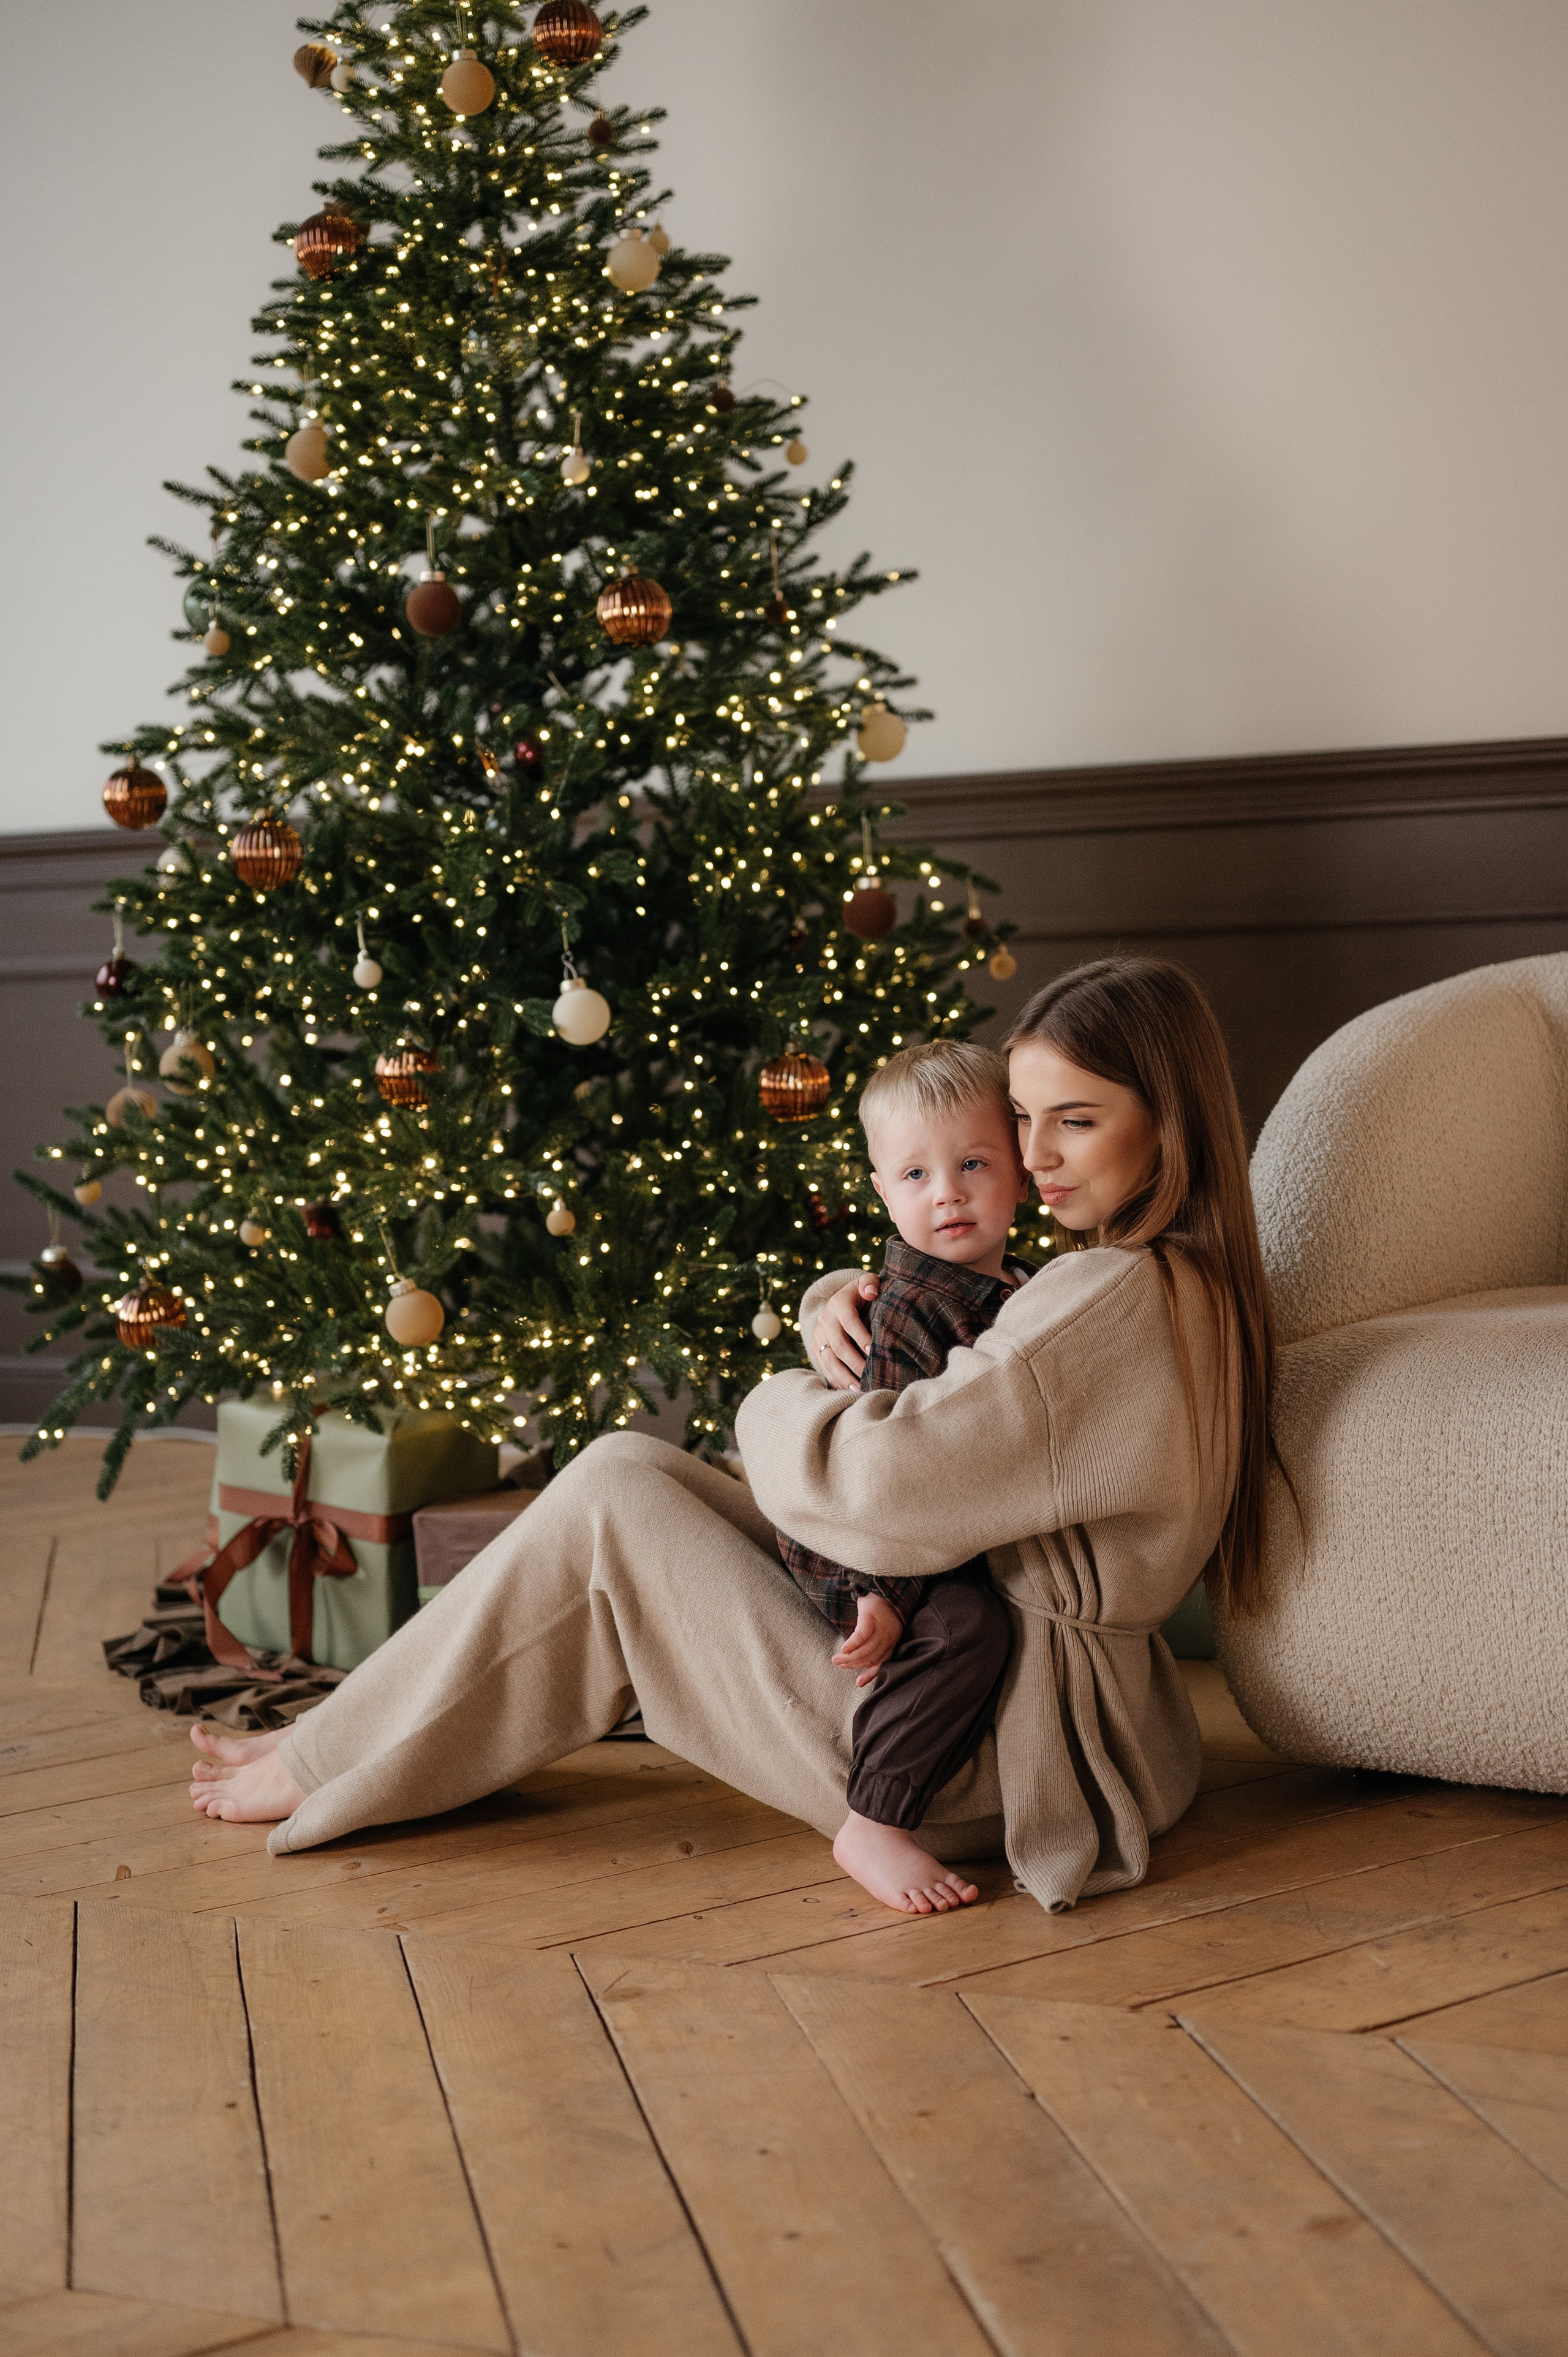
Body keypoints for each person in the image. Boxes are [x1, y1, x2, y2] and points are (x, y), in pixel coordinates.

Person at [189, 955, 1278, 1921]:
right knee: (624, 1470)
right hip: (1077, 1726)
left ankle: (329, 1756)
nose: (1035, 1157)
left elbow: (872, 1483)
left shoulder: (1104, 1302)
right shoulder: (1184, 1280)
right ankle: (337, 1741)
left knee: (618, 1508)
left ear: (1166, 1123)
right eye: (1025, 1118)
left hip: (973, 1756)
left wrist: (783, 1391)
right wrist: (831, 1308)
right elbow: (966, 1392)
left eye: (1075, 1121)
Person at [775, 1040, 1033, 1900]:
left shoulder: (1026, 1290)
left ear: (1022, 1172)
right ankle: (875, 1825)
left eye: (972, 1164)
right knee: (969, 1629)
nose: (949, 1192)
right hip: (860, 1538)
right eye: (916, 1176)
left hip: (929, 1528)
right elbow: (879, 1471)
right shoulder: (912, 1310)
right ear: (883, 1192)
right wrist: (877, 1593)